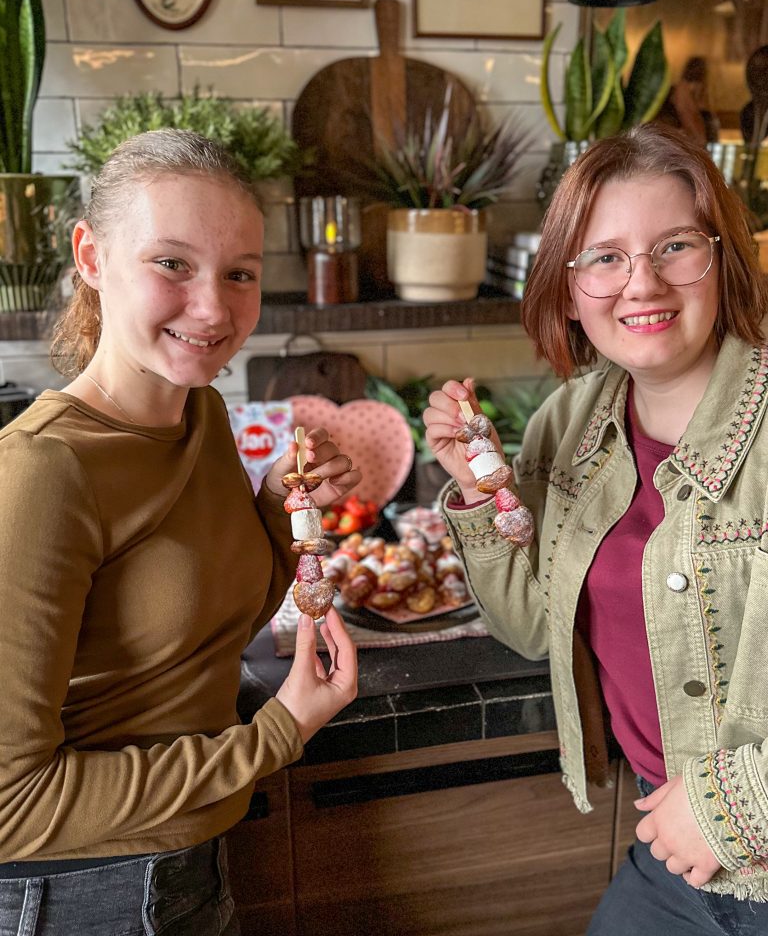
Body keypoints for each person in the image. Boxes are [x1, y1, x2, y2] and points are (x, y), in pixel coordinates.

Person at [0, 129, 359, 934]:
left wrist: (274, 503)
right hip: (74, 897)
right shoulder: (41, 470)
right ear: (91, 257)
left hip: (186, 871)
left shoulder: (200, 411)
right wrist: (277, 733)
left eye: (240, 275)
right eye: (171, 264)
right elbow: (8, 806)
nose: (214, 308)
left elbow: (199, 624)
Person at [424, 122, 768, 933]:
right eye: (605, 257)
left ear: (722, 259)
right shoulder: (570, 422)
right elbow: (539, 627)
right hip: (674, 853)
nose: (640, 284)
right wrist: (480, 494)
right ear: (569, 285)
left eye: (675, 246)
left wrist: (736, 804)